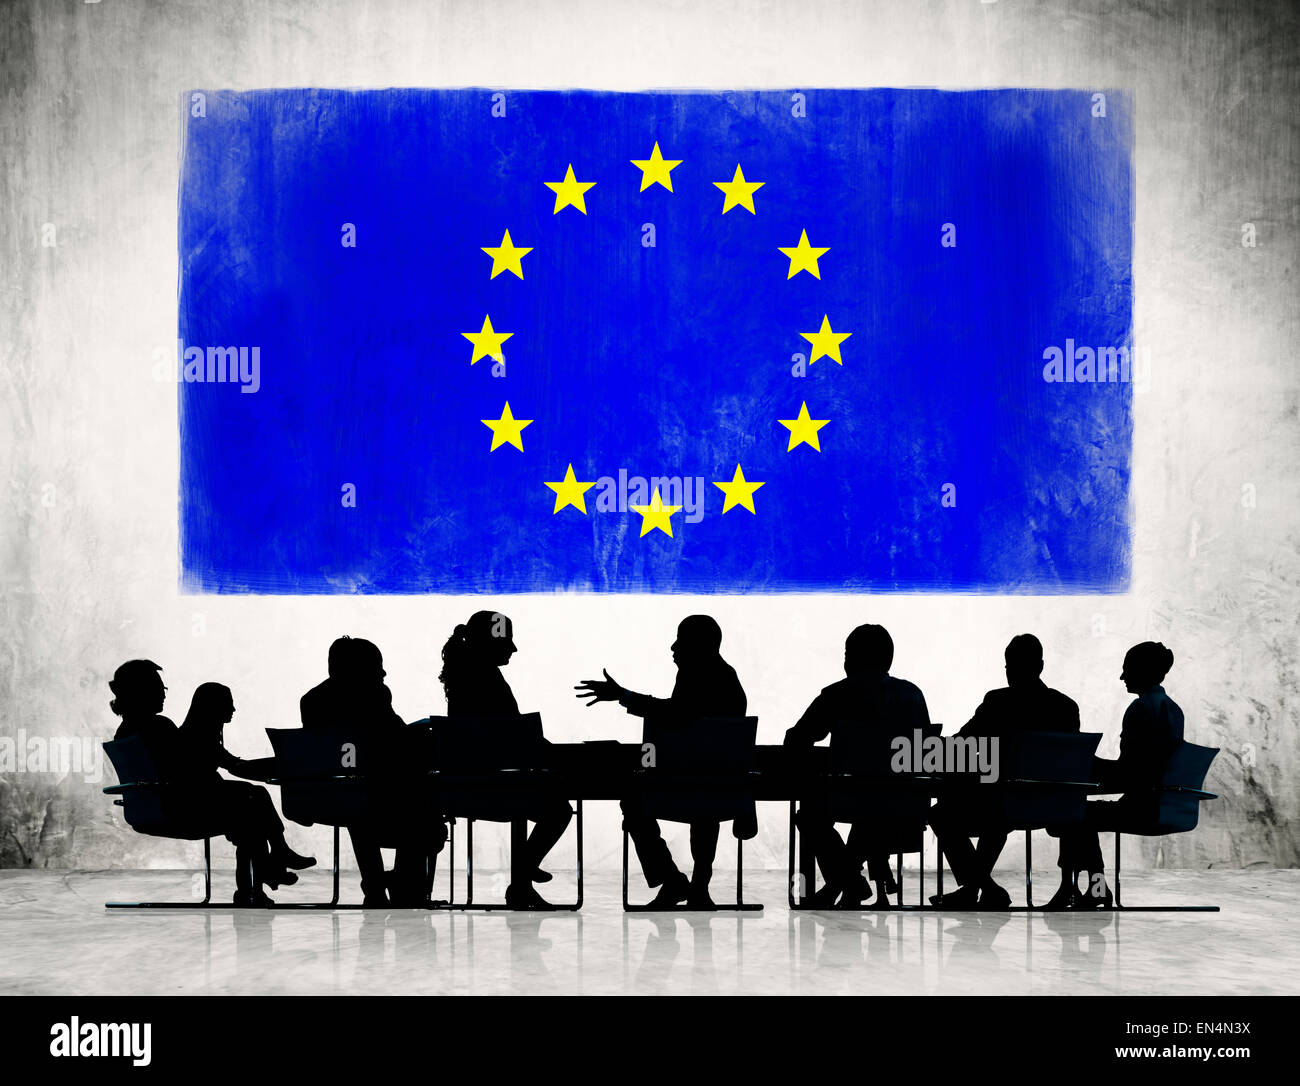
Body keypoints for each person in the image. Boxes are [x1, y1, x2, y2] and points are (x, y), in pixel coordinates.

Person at [575, 615, 747, 908]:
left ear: (698, 645)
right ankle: (698, 885)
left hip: (679, 787)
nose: (673, 647)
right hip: (720, 790)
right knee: (706, 806)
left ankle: (672, 880)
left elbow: (675, 715)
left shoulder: (694, 676)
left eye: (681, 640)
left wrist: (622, 696)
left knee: (632, 800)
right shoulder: (727, 680)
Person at [108, 661, 311, 906]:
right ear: (141, 691)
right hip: (180, 810)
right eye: (158, 688)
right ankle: (266, 870)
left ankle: (262, 877)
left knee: (249, 813)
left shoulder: (128, 730)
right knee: (253, 798)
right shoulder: (157, 726)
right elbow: (185, 772)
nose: (163, 693)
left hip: (159, 809)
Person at [928, 634, 1080, 910]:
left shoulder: (997, 702)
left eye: (1010, 666)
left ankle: (982, 887)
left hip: (1000, 802)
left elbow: (962, 742)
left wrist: (929, 750)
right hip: (1051, 805)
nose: (1010, 672)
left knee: (942, 813)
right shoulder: (1066, 707)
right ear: (1041, 666)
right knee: (995, 813)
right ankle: (978, 888)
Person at [783, 624, 930, 908]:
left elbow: (797, 738)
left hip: (850, 799)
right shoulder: (913, 695)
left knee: (811, 816)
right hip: (905, 802)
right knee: (873, 808)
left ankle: (847, 881)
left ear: (852, 658)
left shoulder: (838, 695)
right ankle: (848, 882)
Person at [438, 611, 573, 909]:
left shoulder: (462, 677)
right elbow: (514, 736)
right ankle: (522, 875)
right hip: (501, 790)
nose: (513, 648)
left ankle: (523, 875)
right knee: (559, 810)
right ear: (488, 643)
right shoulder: (487, 679)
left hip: (467, 789)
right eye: (506, 641)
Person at [301, 637, 442, 907]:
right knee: (419, 801)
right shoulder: (375, 693)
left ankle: (378, 885)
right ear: (359, 669)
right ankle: (403, 884)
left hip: (334, 792)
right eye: (377, 666)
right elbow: (394, 738)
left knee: (359, 804)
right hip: (384, 791)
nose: (383, 672)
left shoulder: (312, 700)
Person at [1049, 642, 1183, 909]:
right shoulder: (1173, 709)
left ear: (1142, 671)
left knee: (1074, 814)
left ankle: (1076, 887)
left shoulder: (1141, 708)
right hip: (1168, 805)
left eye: (1127, 669)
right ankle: (1083, 887)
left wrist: (1087, 763)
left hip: (1143, 806)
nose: (1122, 677)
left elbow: (1130, 773)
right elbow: (1146, 767)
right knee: (1077, 814)